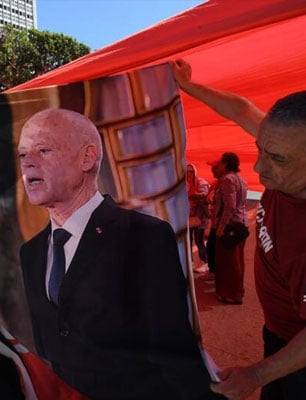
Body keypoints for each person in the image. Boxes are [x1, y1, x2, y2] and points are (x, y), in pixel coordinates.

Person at [173, 59, 306, 400]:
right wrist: (190, 86)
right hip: (283, 335)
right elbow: (242, 109)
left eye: (277, 159)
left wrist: (253, 376)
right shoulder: (299, 145)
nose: (261, 169)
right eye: (260, 149)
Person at [18, 108, 218, 399]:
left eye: (43, 150)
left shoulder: (144, 236)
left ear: (86, 158)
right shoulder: (31, 252)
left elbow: (172, 348)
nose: (28, 164)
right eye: (23, 155)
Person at [208, 152, 248, 305]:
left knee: (228, 262)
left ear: (225, 164)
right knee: (237, 261)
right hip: (240, 224)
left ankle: (229, 293)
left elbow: (229, 206)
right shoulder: (241, 179)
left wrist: (221, 226)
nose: (214, 169)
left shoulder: (227, 180)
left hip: (230, 225)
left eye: (217, 165)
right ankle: (236, 292)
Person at [186, 163, 211, 273]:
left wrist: (193, 194)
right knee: (188, 241)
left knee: (199, 241)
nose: (189, 174)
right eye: (187, 172)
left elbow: (204, 195)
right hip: (188, 218)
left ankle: (205, 263)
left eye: (191, 171)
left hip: (200, 218)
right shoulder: (184, 184)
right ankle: (190, 263)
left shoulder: (201, 182)